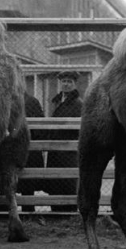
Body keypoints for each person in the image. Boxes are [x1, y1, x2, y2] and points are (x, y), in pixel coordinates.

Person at [46, 70, 82, 212]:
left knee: (68, 183)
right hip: (55, 151)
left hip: (68, 151)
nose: (66, 84)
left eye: (69, 82)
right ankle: (56, 211)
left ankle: (69, 213)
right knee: (55, 183)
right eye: (64, 81)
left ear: (74, 84)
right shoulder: (56, 101)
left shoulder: (78, 104)